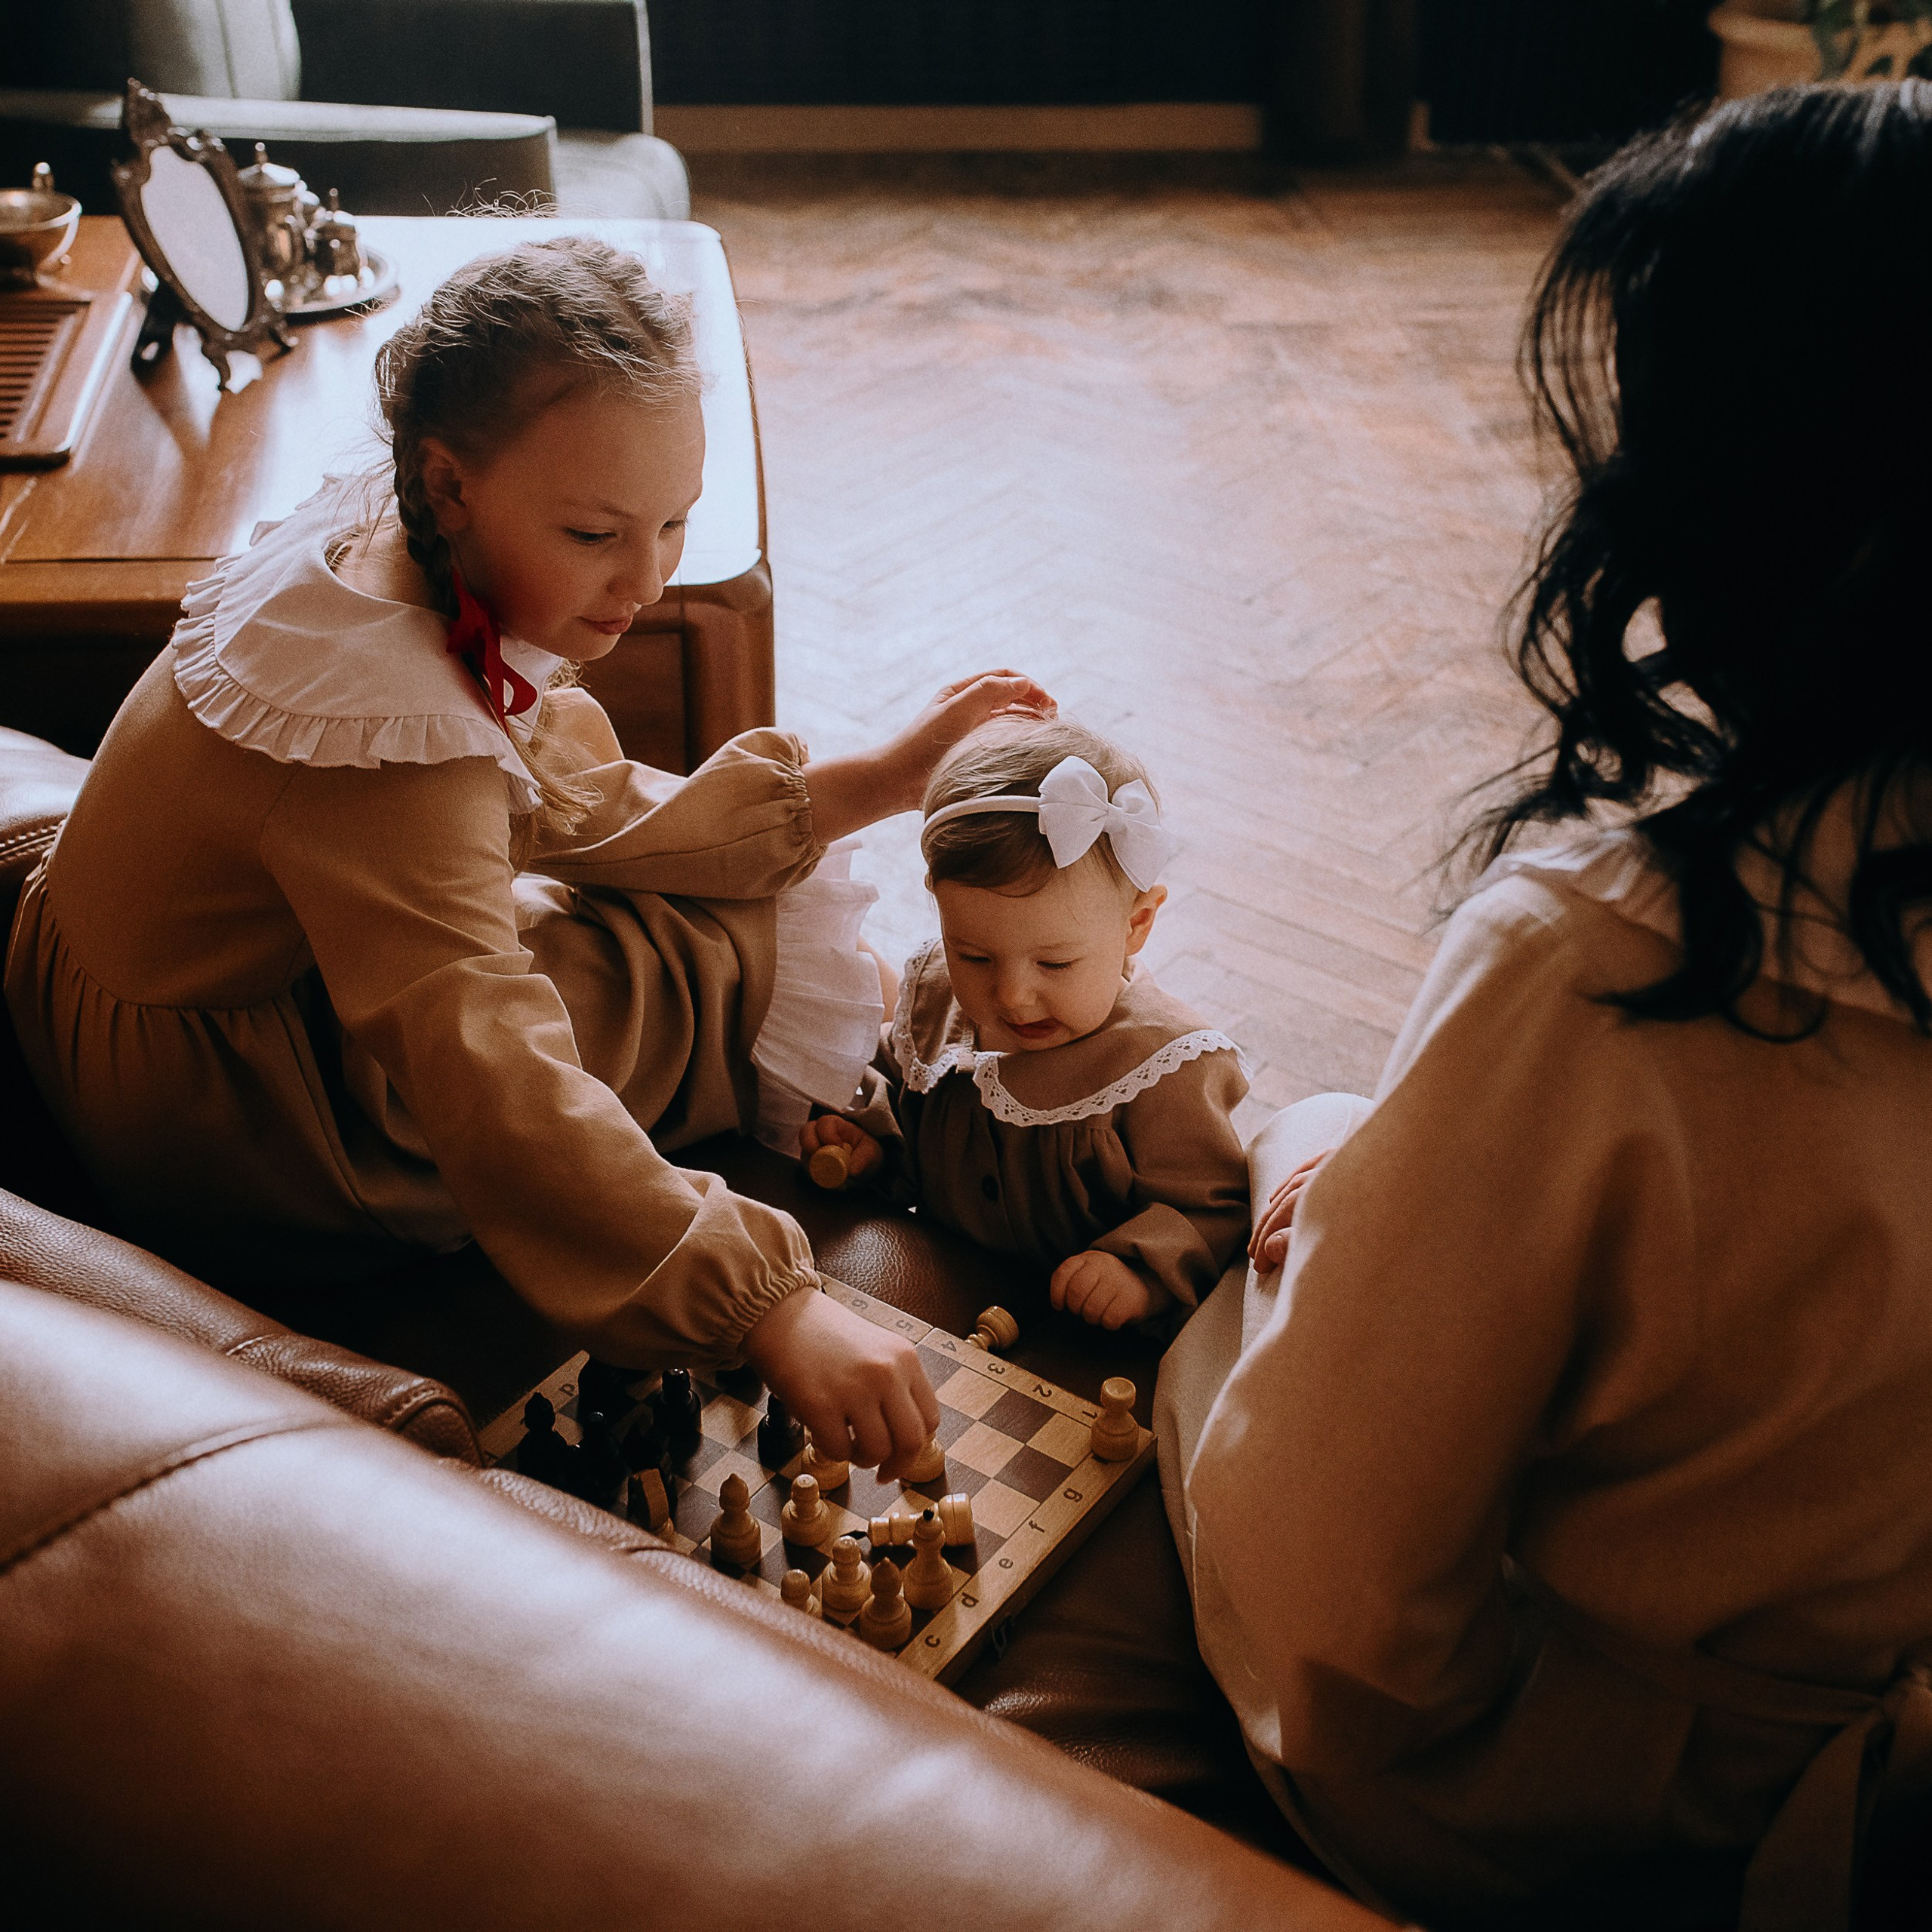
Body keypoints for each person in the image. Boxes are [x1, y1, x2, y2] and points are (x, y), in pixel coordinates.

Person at [1156, 82, 1932, 1932]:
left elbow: (1335, 1630)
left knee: (1244, 1258)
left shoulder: (1598, 963)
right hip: (1868, 1765)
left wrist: (1315, 1179)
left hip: (1588, 1808)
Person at [5, 235, 1051, 1478]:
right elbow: (491, 1075)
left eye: (675, 520)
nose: (647, 578)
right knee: (685, 969)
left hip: (126, 1002)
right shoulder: (389, 751)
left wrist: (871, 779)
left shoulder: (396, 544)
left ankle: (846, 998)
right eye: (597, 532)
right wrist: (770, 1305)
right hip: (236, 1133)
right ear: (450, 483)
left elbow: (574, 796)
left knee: (686, 901)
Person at [804, 719, 1249, 1331]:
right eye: (974, 956)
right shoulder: (938, 1000)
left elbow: (1212, 1209)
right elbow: (895, 1087)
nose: (1012, 996)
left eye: (1055, 963)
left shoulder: (1166, 1066)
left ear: (1136, 924)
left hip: (1082, 1343)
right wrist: (869, 1141)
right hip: (940, 1295)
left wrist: (1138, 1273)